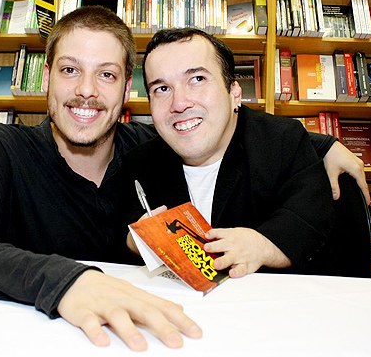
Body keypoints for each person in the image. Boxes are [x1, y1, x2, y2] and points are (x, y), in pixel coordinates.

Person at [0, 6, 366, 351]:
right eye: (70, 69)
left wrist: (323, 145)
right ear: (46, 79)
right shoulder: (0, 150)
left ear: (125, 93)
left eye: (107, 75)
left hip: (144, 351)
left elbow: (218, 124)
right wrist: (67, 281)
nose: (87, 91)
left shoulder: (146, 149)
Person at [124, 28, 341, 277]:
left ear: (234, 93)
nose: (179, 103)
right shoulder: (140, 162)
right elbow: (118, 230)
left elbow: (311, 221)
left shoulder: (283, 142)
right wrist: (136, 242)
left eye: (197, 79)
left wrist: (263, 246)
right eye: (161, 89)